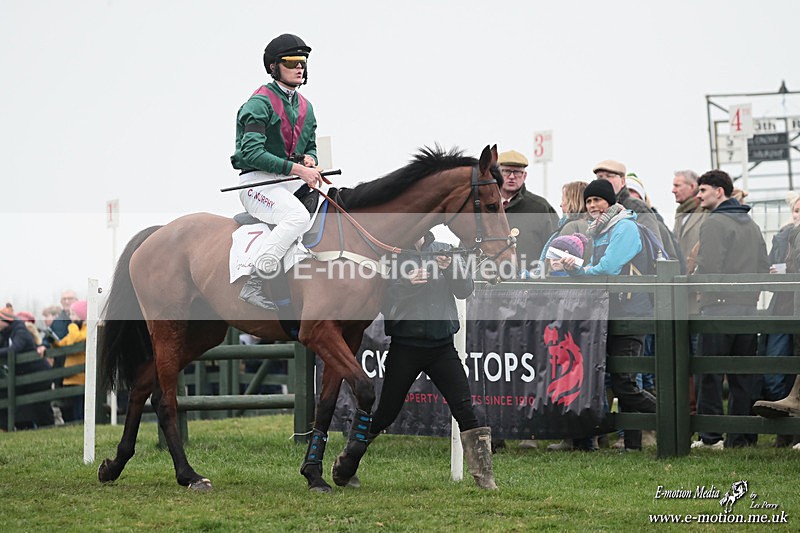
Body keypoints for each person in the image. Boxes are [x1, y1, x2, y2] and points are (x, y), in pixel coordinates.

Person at [331, 232, 498, 489]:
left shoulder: (445, 248)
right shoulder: (390, 255)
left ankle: (485, 479)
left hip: (442, 347)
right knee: (385, 414)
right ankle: (346, 464)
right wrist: (406, 283)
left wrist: (451, 268)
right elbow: (382, 302)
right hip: (405, 347)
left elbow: (465, 290)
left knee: (465, 408)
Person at [558, 179, 657, 451]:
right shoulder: (600, 231)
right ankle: (632, 445)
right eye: (588, 201)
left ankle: (674, 419)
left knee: (625, 383)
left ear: (610, 202)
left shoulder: (623, 227)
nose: (592, 206)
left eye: (597, 201)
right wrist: (576, 267)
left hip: (630, 314)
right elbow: (598, 267)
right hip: (611, 312)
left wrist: (579, 270)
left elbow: (609, 268)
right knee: (612, 380)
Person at [231, 33, 323, 310]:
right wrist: (297, 168)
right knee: (296, 216)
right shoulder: (259, 103)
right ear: (273, 67)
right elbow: (250, 153)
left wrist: (309, 159)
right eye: (292, 61)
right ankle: (256, 280)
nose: (300, 67)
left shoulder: (306, 106)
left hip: (288, 181)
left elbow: (312, 146)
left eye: (303, 61)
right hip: (256, 183)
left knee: (337, 200)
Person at [691, 170, 769, 449]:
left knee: (709, 373)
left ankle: (711, 437)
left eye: (703, 190)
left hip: (718, 308)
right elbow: (763, 265)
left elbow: (709, 267)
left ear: (719, 192)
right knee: (743, 374)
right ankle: (743, 437)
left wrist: (703, 295)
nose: (698, 195)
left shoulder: (714, 223)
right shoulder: (750, 223)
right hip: (747, 308)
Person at [497, 150, 558, 273]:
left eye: (518, 172)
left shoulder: (541, 208)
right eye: (507, 171)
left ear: (524, 176)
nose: (512, 177)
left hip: (528, 285)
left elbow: (554, 250)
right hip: (488, 285)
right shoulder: (482, 207)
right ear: (496, 174)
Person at [0, 308, 54, 429]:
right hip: (24, 377)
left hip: (39, 375)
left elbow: (15, 348)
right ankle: (27, 429)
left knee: (42, 406)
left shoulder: (20, 330)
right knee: (23, 407)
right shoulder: (5, 333)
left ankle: (49, 429)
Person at [540, 181, 593, 267]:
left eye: (564, 200)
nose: (561, 205)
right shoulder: (593, 226)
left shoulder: (571, 227)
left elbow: (556, 265)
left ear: (573, 202)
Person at [52, 300, 88, 422]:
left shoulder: (85, 330)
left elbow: (73, 342)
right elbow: (63, 344)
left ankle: (81, 428)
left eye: (74, 314)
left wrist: (72, 326)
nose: (71, 318)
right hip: (70, 378)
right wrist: (53, 341)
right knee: (71, 411)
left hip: (80, 378)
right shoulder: (75, 330)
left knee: (80, 410)